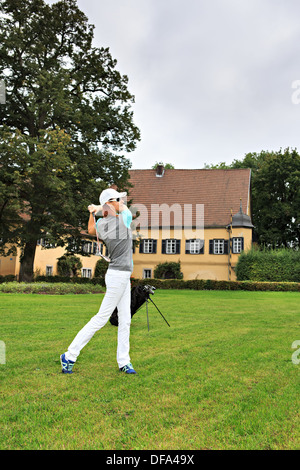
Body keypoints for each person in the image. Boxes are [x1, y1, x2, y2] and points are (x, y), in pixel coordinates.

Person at [60, 188, 136, 374]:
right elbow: (124, 209)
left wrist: (93, 213)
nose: (121, 202)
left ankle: (124, 361)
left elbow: (90, 229)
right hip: (118, 276)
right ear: (110, 203)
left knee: (125, 321)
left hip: (121, 276)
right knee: (101, 318)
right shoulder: (121, 220)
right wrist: (101, 207)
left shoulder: (102, 224)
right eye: (117, 200)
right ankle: (70, 355)